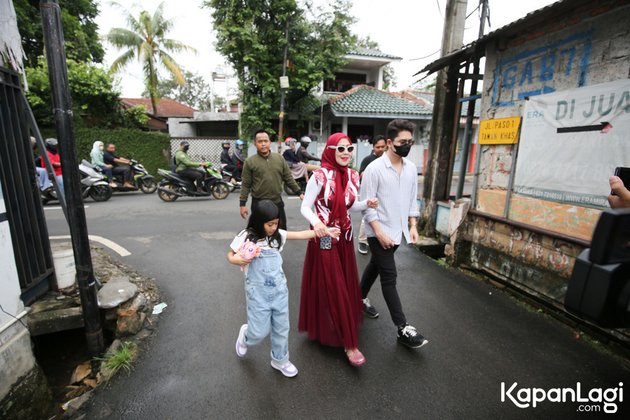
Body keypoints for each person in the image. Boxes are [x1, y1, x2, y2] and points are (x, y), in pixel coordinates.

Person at [228, 199, 340, 378]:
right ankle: (246, 334)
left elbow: (301, 234)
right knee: (258, 332)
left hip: (280, 291)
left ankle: (280, 360)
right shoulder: (246, 236)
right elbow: (230, 254)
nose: (273, 227)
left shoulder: (277, 236)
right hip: (257, 294)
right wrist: (237, 260)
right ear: (258, 221)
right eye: (269, 224)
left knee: (282, 328)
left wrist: (325, 231)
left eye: (276, 223)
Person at [299, 132, 379, 367]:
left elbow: (350, 205)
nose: (345, 153)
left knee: (341, 282)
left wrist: (367, 204)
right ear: (331, 151)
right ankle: (349, 343)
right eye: (340, 149)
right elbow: (305, 207)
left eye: (349, 149)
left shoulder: (353, 176)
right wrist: (318, 224)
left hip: (344, 236)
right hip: (324, 237)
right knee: (333, 283)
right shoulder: (320, 176)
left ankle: (334, 323)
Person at [359, 119, 429, 349]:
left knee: (376, 267)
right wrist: (378, 233)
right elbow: (367, 206)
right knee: (389, 277)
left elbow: (411, 198)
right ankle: (403, 328)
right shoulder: (374, 169)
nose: (407, 145)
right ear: (390, 142)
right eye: (402, 142)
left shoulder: (410, 168)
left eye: (410, 141)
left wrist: (413, 225)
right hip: (378, 230)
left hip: (398, 231)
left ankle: (357, 298)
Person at [239, 129, 303, 230]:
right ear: (255, 144)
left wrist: (299, 193)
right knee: (259, 232)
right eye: (260, 142)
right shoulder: (249, 162)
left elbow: (288, 178)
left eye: (265, 141)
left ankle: (278, 246)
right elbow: (246, 184)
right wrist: (242, 204)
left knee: (281, 232)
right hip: (258, 204)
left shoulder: (279, 159)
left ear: (269, 142)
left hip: (277, 202)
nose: (263, 144)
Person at [357, 135, 387, 255]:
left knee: (382, 217)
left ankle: (378, 239)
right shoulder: (368, 160)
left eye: (382, 146)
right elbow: (360, 176)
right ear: (373, 147)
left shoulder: (389, 160)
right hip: (370, 195)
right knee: (367, 217)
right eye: (377, 147)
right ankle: (363, 241)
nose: (380, 149)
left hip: (384, 195)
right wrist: (364, 174)